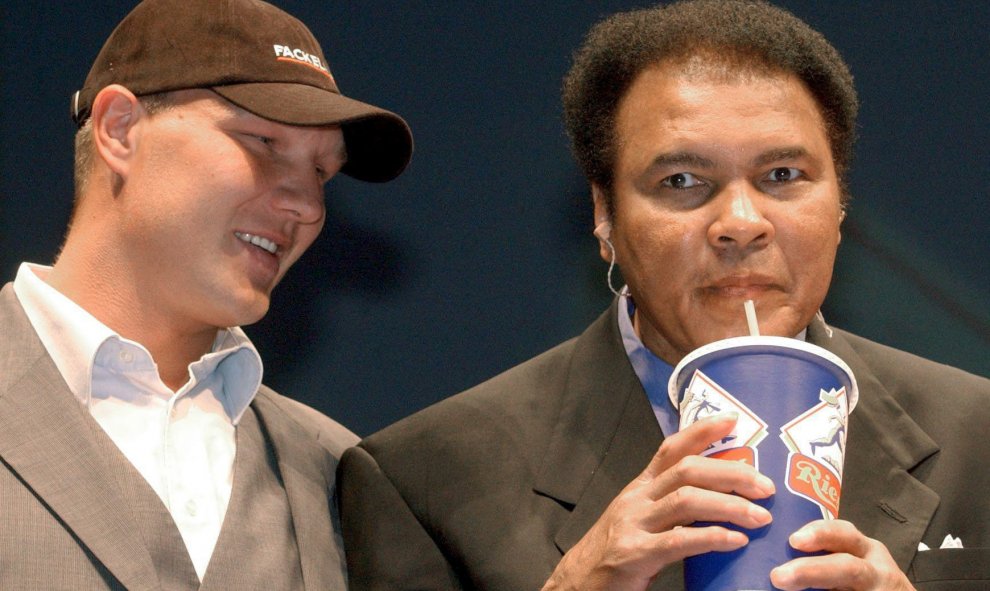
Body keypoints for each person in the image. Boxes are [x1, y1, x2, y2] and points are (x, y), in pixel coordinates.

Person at [337, 1, 990, 589]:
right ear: (603, 216)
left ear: (840, 204)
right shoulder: (426, 477)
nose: (740, 220)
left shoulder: (976, 436)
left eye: (784, 175)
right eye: (682, 179)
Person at [0, 0, 411, 588]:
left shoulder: (337, 471)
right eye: (263, 141)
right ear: (120, 129)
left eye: (322, 172)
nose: (308, 204)